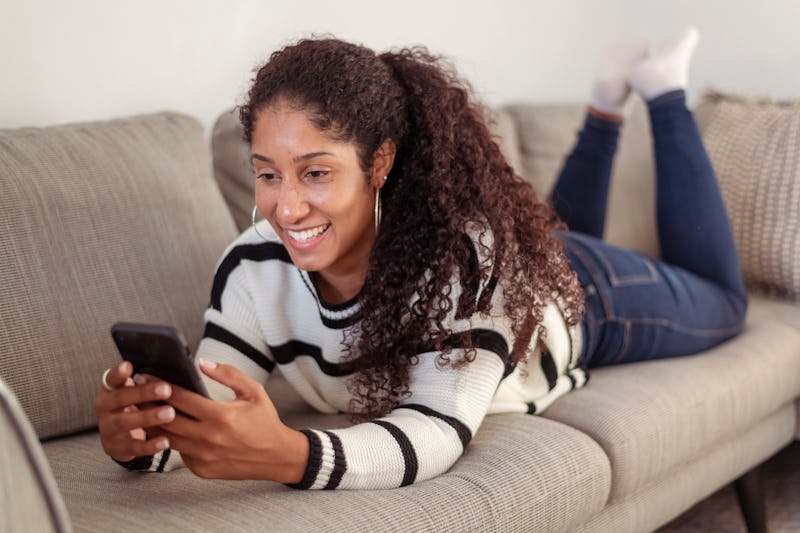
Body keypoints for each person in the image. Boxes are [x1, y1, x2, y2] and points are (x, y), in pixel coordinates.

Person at [94, 27, 747, 490]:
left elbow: (435, 429)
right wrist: (145, 438)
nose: (285, 208)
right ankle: (605, 102)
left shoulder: (458, 261)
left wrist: (290, 453)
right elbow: (211, 398)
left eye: (315, 173)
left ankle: (661, 93)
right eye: (268, 175)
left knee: (724, 302)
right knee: (550, 231)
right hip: (520, 273)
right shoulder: (252, 267)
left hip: (574, 301)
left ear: (379, 163)